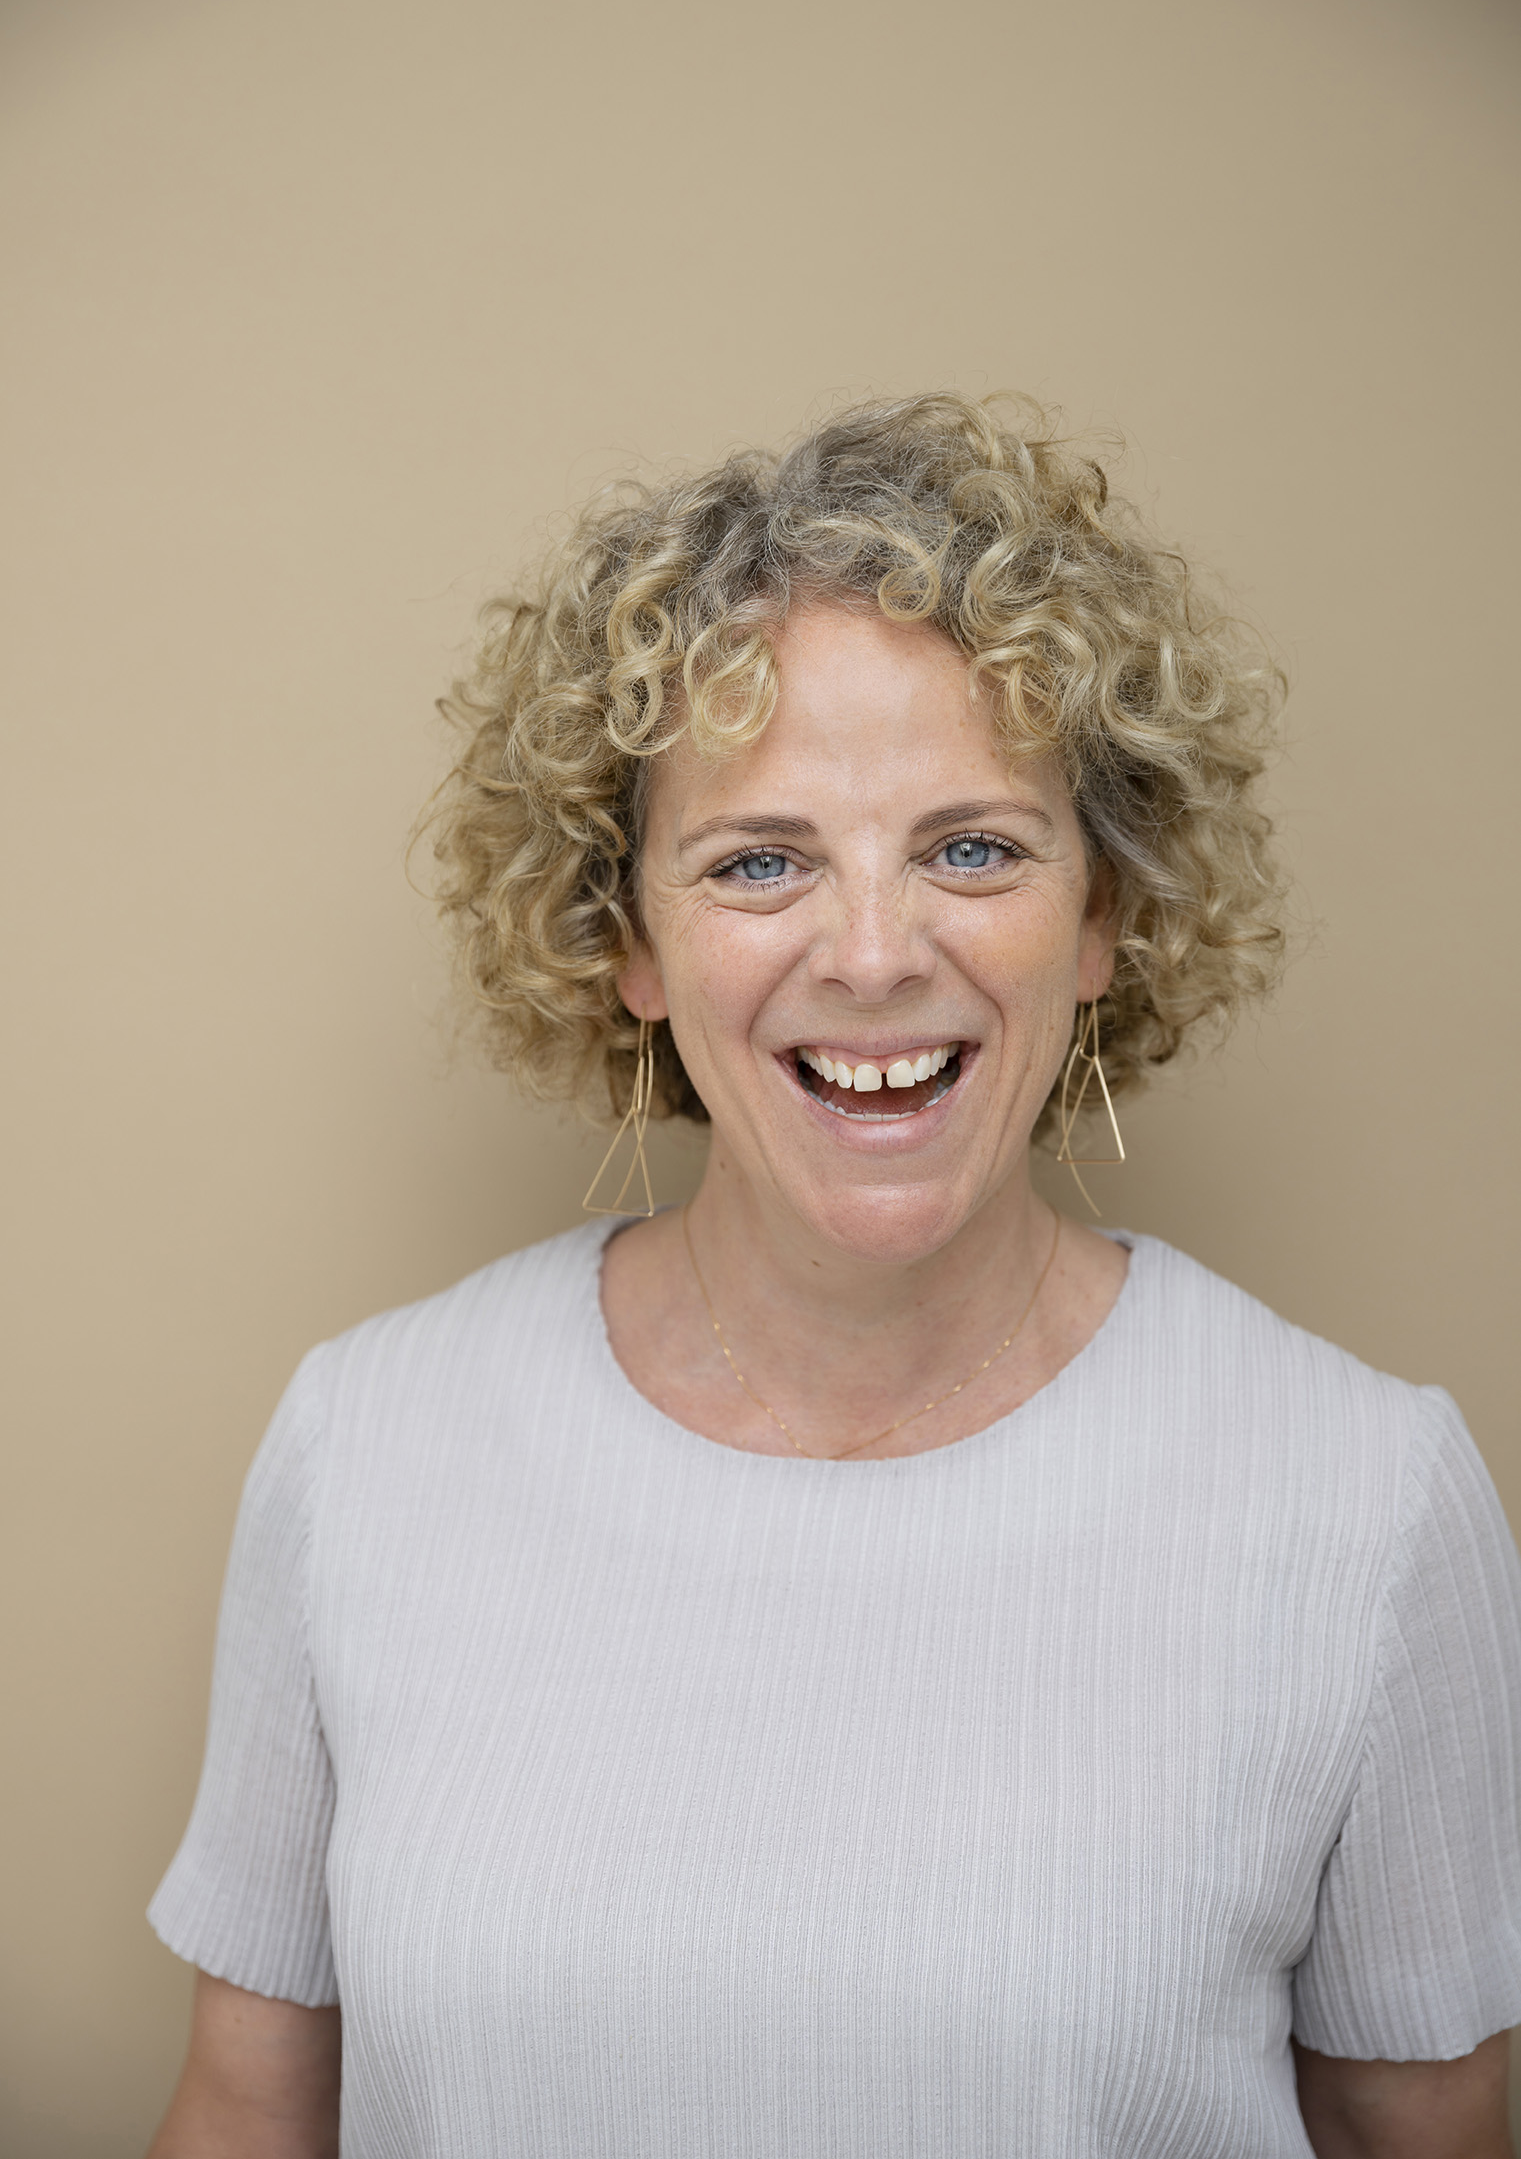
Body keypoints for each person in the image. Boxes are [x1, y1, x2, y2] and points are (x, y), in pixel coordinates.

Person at [146, 394, 1521, 2158]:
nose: (872, 954)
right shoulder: (366, 1444)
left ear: (1104, 916)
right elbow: (245, 2116)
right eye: (759, 860)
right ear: (627, 940)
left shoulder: (1367, 1501)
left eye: (972, 846)